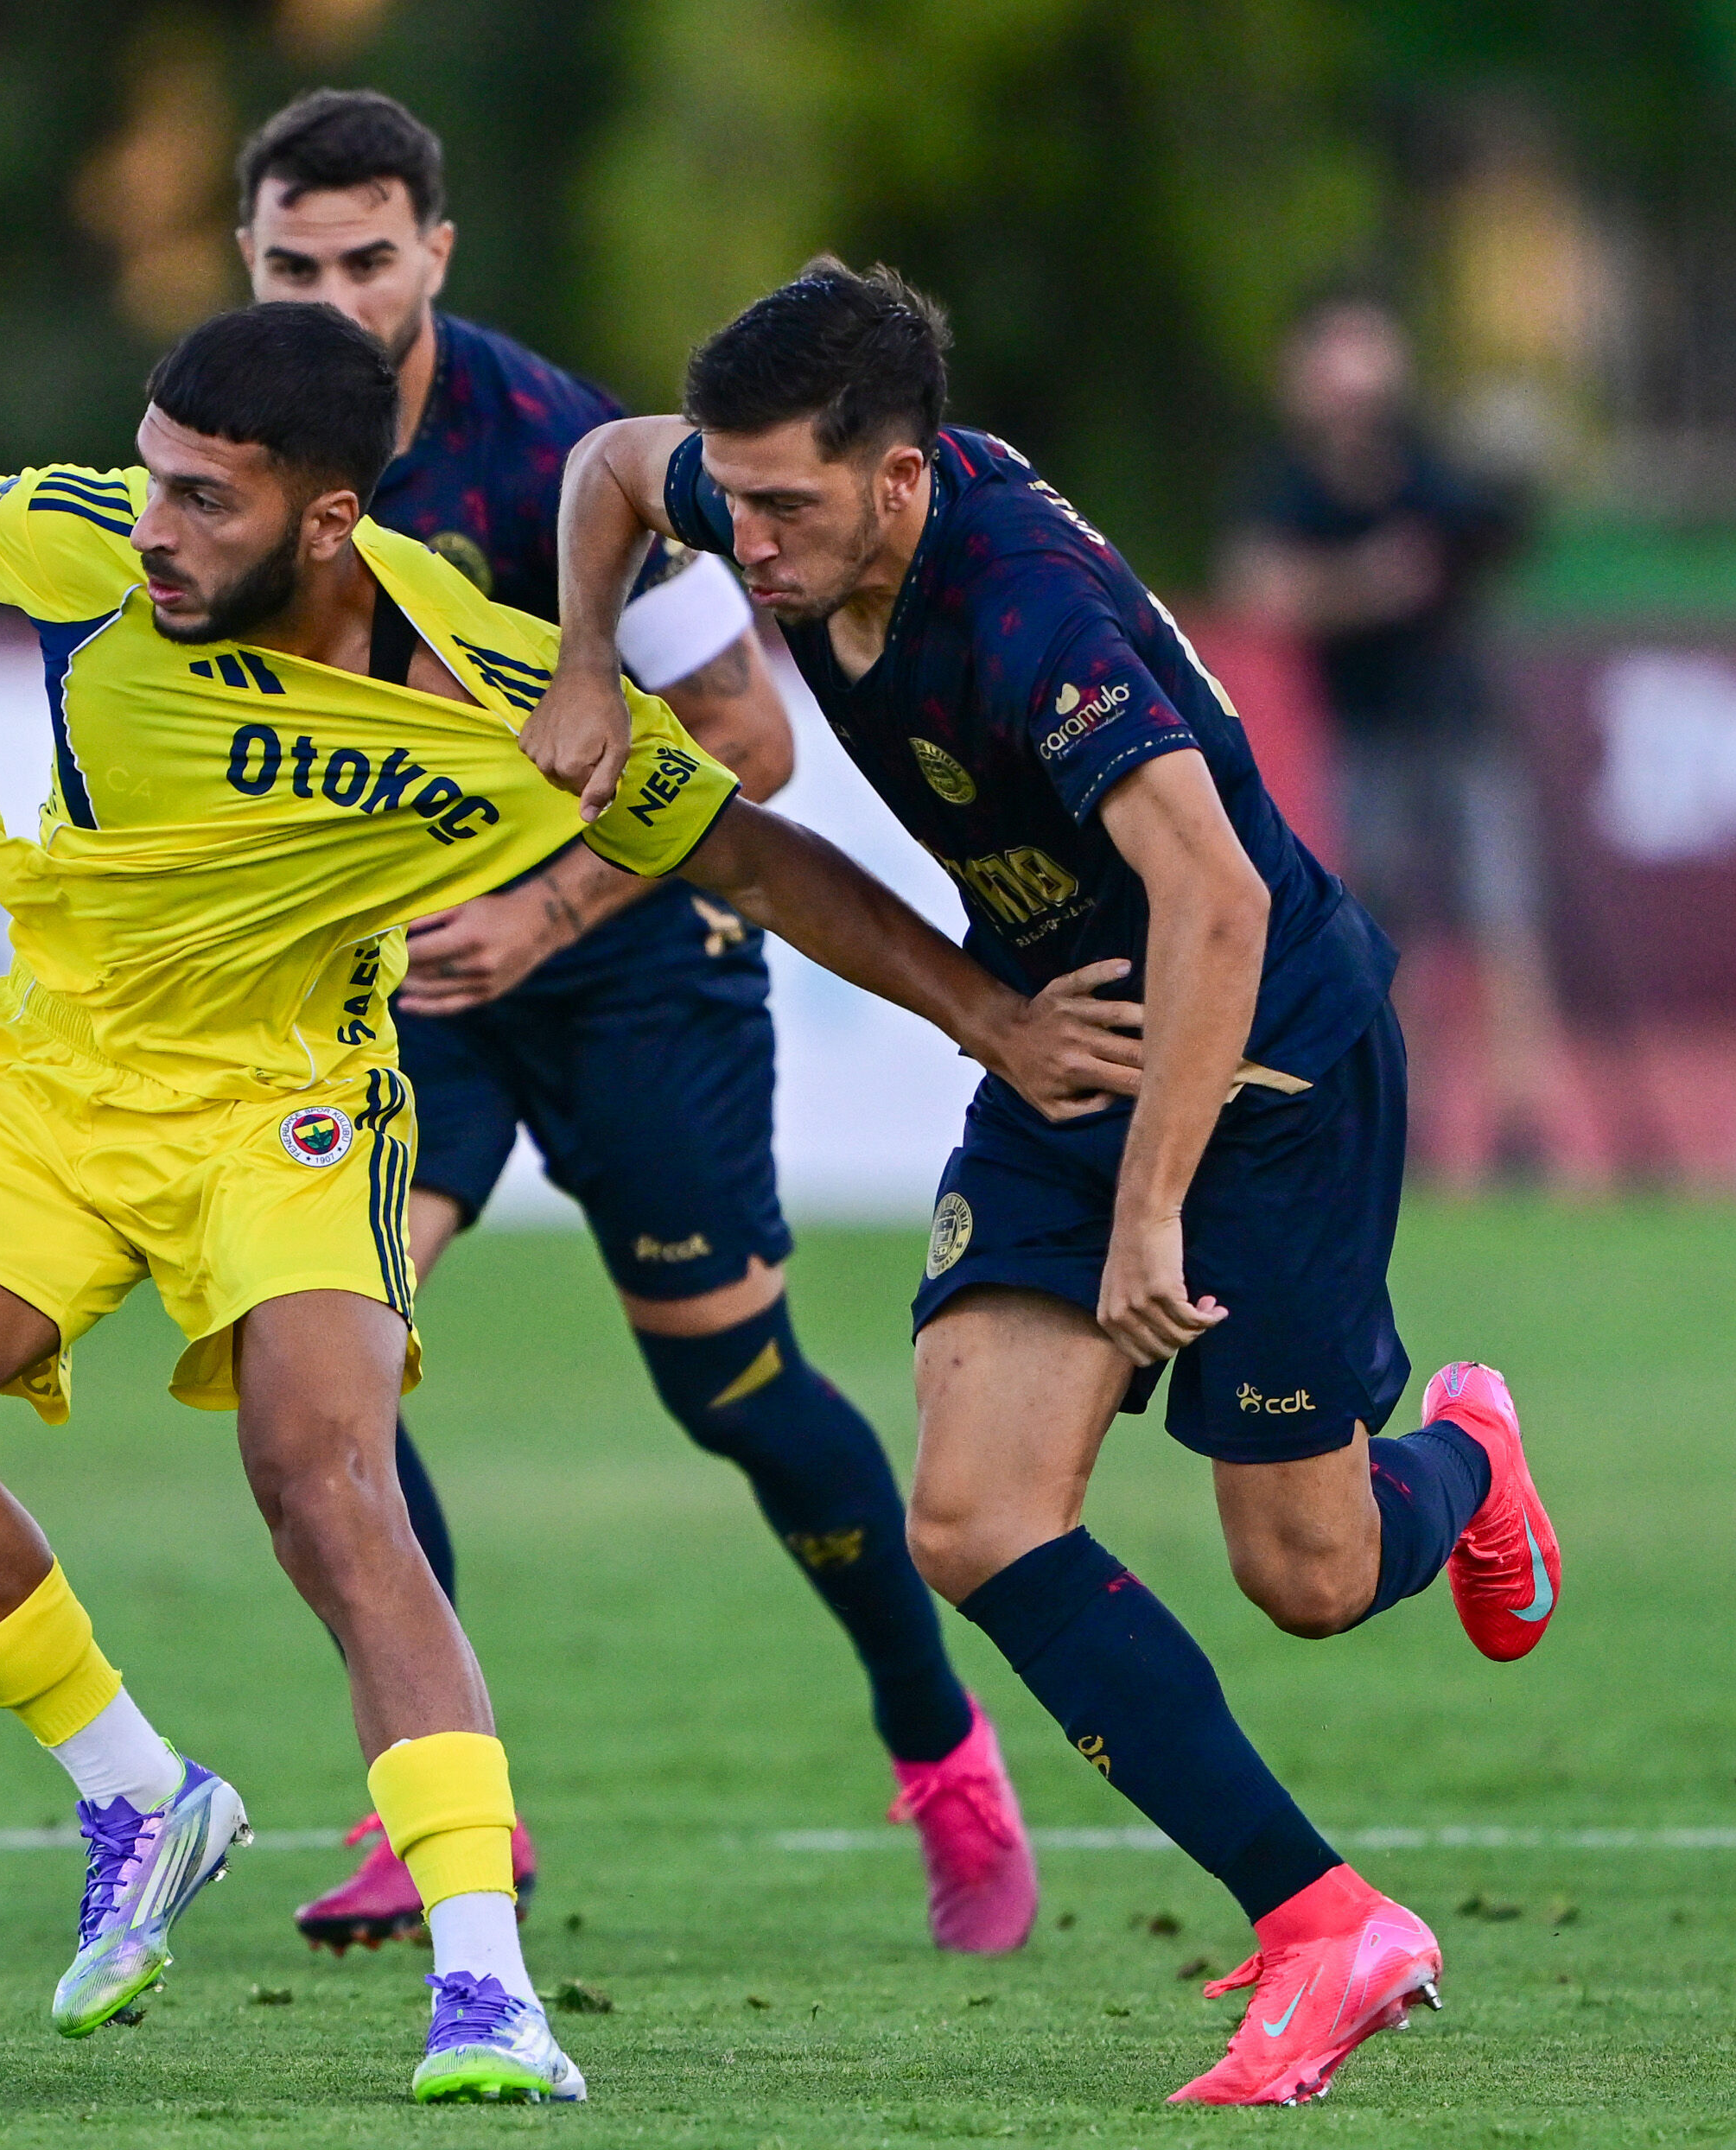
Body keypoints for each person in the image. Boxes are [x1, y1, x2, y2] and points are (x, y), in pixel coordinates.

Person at [0, 301, 1086, 2104]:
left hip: (292, 1104)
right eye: (152, 481)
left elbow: (747, 841)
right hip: (56, 1064)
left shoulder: (496, 695)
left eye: (201, 500)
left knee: (325, 1481)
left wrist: (992, 1016)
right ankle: (139, 1792)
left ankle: (488, 1986)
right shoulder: (96, 545)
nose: (154, 529)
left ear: (330, 519)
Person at [525, 261, 1567, 2107]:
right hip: (1061, 1039)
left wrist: (1153, 1206)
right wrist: (593, 667)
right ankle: (1328, 1920)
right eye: (738, 501)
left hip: (1262, 1068)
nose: (747, 548)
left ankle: (1470, 1457)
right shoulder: (760, 503)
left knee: (1308, 1573)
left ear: (904, 482)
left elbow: (1222, 902)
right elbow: (612, 466)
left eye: (785, 509)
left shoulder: (1025, 617)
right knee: (976, 1513)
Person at [231, 86, 1034, 1961]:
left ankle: (942, 1751)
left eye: (368, 260)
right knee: (317, 1365)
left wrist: (544, 905)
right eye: (294, 264)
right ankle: (437, 1797)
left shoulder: (545, 454)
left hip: (634, 960)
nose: (334, 298)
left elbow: (749, 743)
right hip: (404, 979)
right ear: (246, 263)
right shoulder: (231, 449)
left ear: (436, 254)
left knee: (733, 1385)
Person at [1219, 295, 1565, 1183]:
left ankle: (1519, 1123)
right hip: (1367, 736)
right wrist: (1370, 584)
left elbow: (1497, 531)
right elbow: (1263, 587)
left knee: (1499, 922)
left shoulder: (1429, 470)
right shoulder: (1290, 488)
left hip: (1463, 728)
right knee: (1386, 932)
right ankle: (1409, 1122)